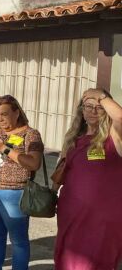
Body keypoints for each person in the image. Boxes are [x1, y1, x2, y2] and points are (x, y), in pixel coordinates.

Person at [53, 89, 122, 269]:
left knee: (96, 261)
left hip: (103, 218)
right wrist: (52, 194)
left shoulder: (114, 137)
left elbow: (121, 117)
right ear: (81, 110)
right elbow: (62, 172)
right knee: (69, 260)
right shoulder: (73, 139)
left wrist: (99, 94)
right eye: (88, 106)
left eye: (99, 107)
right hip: (71, 213)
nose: (92, 111)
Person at [0, 95, 43, 270]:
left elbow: (34, 163)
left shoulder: (31, 134)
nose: (0, 119)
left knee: (18, 240)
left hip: (14, 192)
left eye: (4, 114)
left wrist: (4, 148)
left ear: (17, 113)